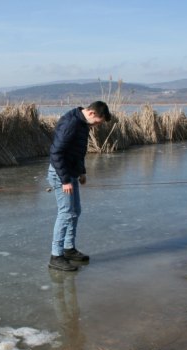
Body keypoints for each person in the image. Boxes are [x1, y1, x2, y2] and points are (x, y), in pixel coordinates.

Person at [47, 100, 111, 271]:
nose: (97, 126)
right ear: (91, 113)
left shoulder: (83, 123)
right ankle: (56, 256)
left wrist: (81, 171)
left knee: (75, 211)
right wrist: (65, 180)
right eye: (98, 122)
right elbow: (56, 152)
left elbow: (77, 151)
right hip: (61, 175)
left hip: (71, 173)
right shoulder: (71, 123)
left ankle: (69, 249)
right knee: (66, 213)